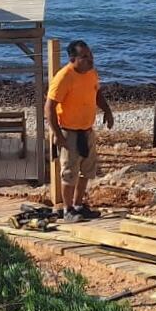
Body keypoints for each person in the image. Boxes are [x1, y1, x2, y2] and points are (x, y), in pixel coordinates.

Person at [45, 39, 115, 220]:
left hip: (87, 129)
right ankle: (67, 209)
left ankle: (78, 204)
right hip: (69, 131)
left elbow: (96, 92)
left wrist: (107, 111)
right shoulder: (63, 77)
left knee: (86, 170)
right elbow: (49, 107)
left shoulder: (91, 72)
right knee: (69, 172)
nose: (90, 59)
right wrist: (58, 135)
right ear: (73, 59)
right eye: (84, 56)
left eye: (90, 55)